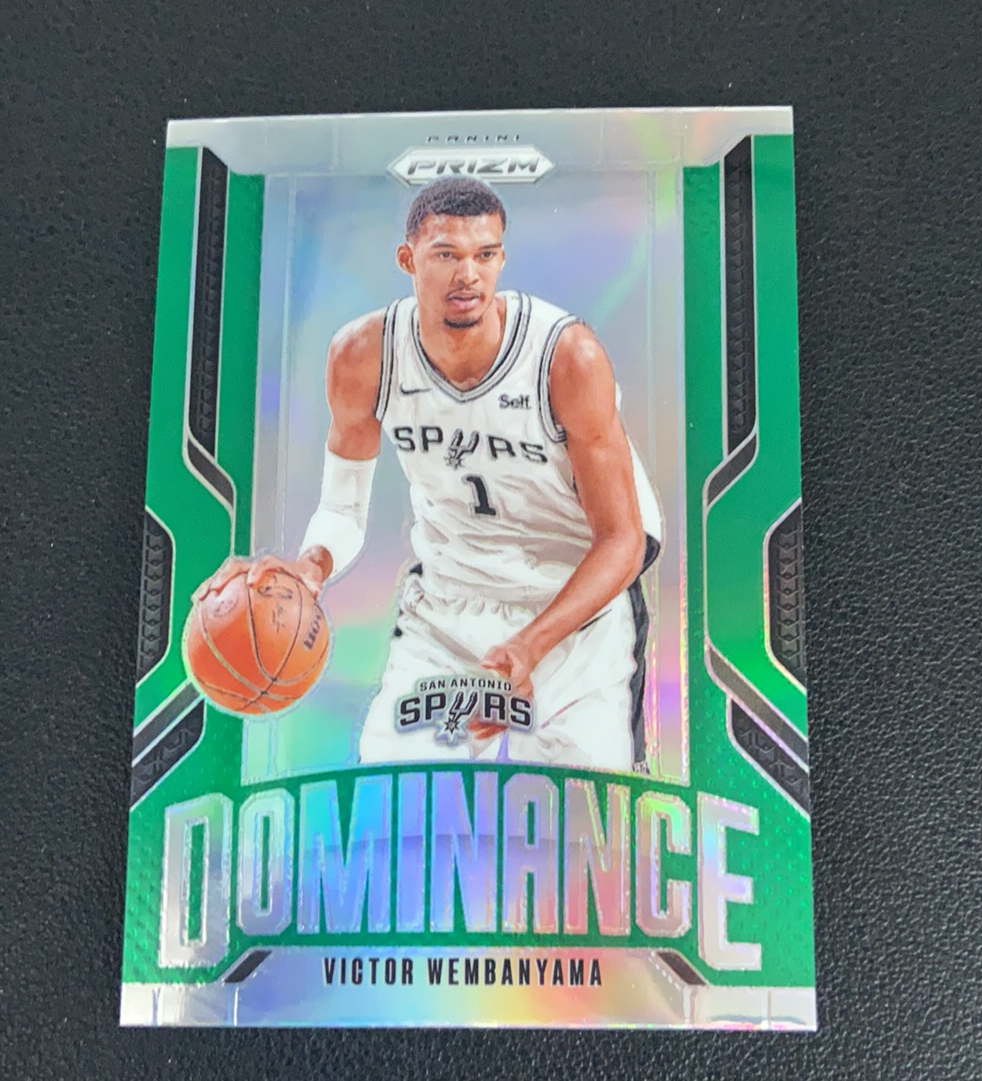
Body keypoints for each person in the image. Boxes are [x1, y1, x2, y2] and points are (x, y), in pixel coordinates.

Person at [198, 176, 662, 772]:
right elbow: (342, 509)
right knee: (393, 793)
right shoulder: (363, 356)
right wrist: (311, 566)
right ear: (407, 260)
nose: (468, 275)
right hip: (451, 600)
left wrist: (531, 645)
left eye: (485, 255)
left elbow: (623, 541)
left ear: (501, 260)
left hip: (573, 607)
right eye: (446, 255)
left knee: (581, 809)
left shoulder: (566, 357)